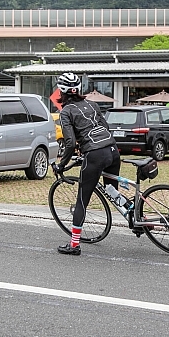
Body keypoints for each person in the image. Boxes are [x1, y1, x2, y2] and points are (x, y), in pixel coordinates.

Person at [52, 72, 121, 255]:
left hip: (95, 154)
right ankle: (134, 215)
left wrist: (61, 165)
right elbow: (105, 128)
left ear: (61, 90)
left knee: (82, 200)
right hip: (112, 150)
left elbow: (70, 143)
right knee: (112, 191)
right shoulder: (93, 104)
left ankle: (74, 245)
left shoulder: (66, 112)